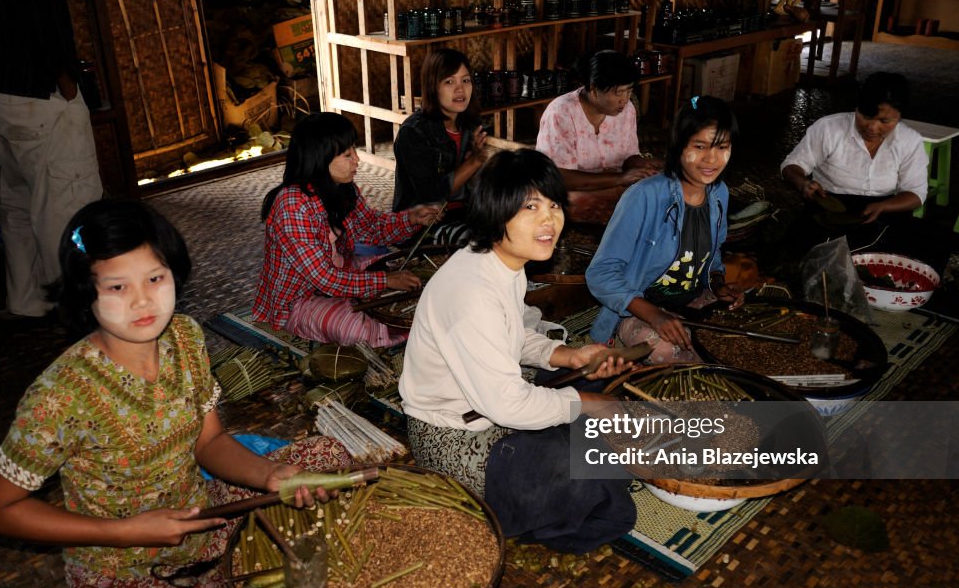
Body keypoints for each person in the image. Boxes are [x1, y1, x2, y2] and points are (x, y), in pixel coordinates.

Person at [0, 199, 350, 588]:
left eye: (155, 278)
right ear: (86, 293)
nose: (143, 300)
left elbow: (208, 442)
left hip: (202, 520)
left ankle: (218, 581)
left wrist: (271, 476)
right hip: (125, 575)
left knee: (328, 458)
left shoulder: (186, 338)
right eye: (116, 286)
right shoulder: (61, 395)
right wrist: (128, 531)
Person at [399, 148, 637, 553]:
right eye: (530, 206)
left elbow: (516, 334)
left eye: (554, 204)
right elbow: (508, 406)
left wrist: (569, 356)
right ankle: (498, 517)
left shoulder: (501, 263)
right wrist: (585, 402)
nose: (550, 220)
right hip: (453, 437)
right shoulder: (471, 291)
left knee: (588, 421)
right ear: (497, 211)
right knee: (600, 489)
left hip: (490, 402)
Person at [0, 0, 103, 320]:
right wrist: (65, 79)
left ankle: (28, 300)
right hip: (31, 85)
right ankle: (78, 308)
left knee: (21, 190)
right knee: (67, 197)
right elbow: (40, 7)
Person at [252, 112, 443, 347]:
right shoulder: (292, 205)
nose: (357, 160)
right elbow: (324, 278)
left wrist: (412, 218)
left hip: (340, 271)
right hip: (299, 299)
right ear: (320, 159)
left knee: (405, 269)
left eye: (354, 150)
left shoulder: (344, 189)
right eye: (347, 154)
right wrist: (384, 281)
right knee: (359, 327)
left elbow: (372, 228)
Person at [586, 96, 745, 363]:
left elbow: (712, 256)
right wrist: (653, 314)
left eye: (722, 147)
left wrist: (718, 285)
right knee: (667, 349)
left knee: (742, 333)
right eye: (699, 146)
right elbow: (600, 274)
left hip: (692, 301)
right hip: (638, 309)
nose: (711, 159)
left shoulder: (719, 194)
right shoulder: (644, 196)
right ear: (679, 146)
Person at [781, 72, 928, 227]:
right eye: (866, 116)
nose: (872, 127)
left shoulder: (910, 140)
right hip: (830, 207)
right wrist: (803, 182)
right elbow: (791, 166)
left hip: (885, 211)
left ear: (899, 117)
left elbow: (916, 193)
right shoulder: (828, 128)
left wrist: (883, 206)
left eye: (884, 121)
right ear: (856, 108)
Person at [535, 50, 661, 224]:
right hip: (569, 190)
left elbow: (627, 157)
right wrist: (620, 179)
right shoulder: (561, 112)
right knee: (573, 201)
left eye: (629, 91)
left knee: (652, 190)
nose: (624, 100)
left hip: (613, 185)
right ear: (593, 89)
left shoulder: (627, 110)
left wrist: (642, 165)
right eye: (618, 93)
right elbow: (559, 177)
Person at [392, 48, 487, 246]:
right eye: (449, 82)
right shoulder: (413, 133)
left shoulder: (470, 125)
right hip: (423, 223)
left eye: (466, 80)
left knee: (515, 225)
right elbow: (432, 194)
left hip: (464, 213)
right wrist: (474, 161)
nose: (460, 90)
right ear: (433, 87)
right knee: (479, 240)